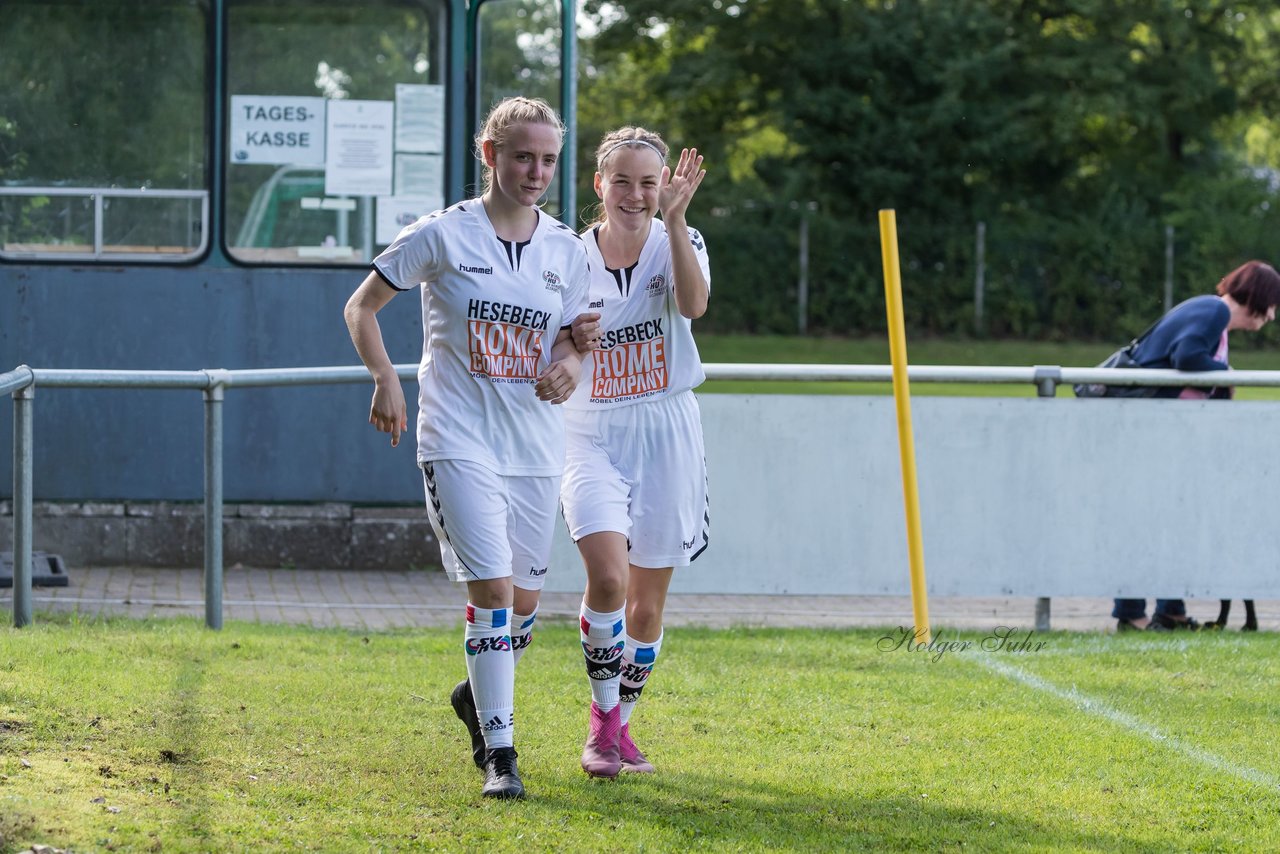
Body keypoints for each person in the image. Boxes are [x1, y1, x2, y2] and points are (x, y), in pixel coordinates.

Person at [343, 96, 589, 799]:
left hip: (536, 448)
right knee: (492, 594)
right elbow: (361, 306)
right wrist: (385, 376)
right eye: (521, 156)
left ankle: (476, 695)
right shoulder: (444, 235)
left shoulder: (565, 251)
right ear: (491, 155)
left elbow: (579, 338)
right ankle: (501, 758)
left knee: (523, 607)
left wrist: (572, 363)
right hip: (458, 440)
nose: (536, 170)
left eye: (547, 159)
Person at [562, 127, 711, 777]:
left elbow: (694, 303)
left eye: (648, 182)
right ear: (600, 185)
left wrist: (675, 223)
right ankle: (600, 728)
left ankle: (622, 726)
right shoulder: (567, 255)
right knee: (609, 580)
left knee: (646, 607)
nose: (634, 194)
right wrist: (570, 339)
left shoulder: (682, 239)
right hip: (590, 430)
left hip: (666, 429)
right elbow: (548, 343)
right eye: (621, 180)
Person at [1112, 259, 1280, 632]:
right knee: (1149, 521)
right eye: (1272, 307)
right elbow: (1187, 358)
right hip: (1145, 432)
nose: (1271, 316)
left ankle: (1169, 610)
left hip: (1162, 436)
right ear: (1259, 298)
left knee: (1171, 519)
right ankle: (1132, 613)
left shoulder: (1214, 320)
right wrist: (1231, 376)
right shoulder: (1212, 311)